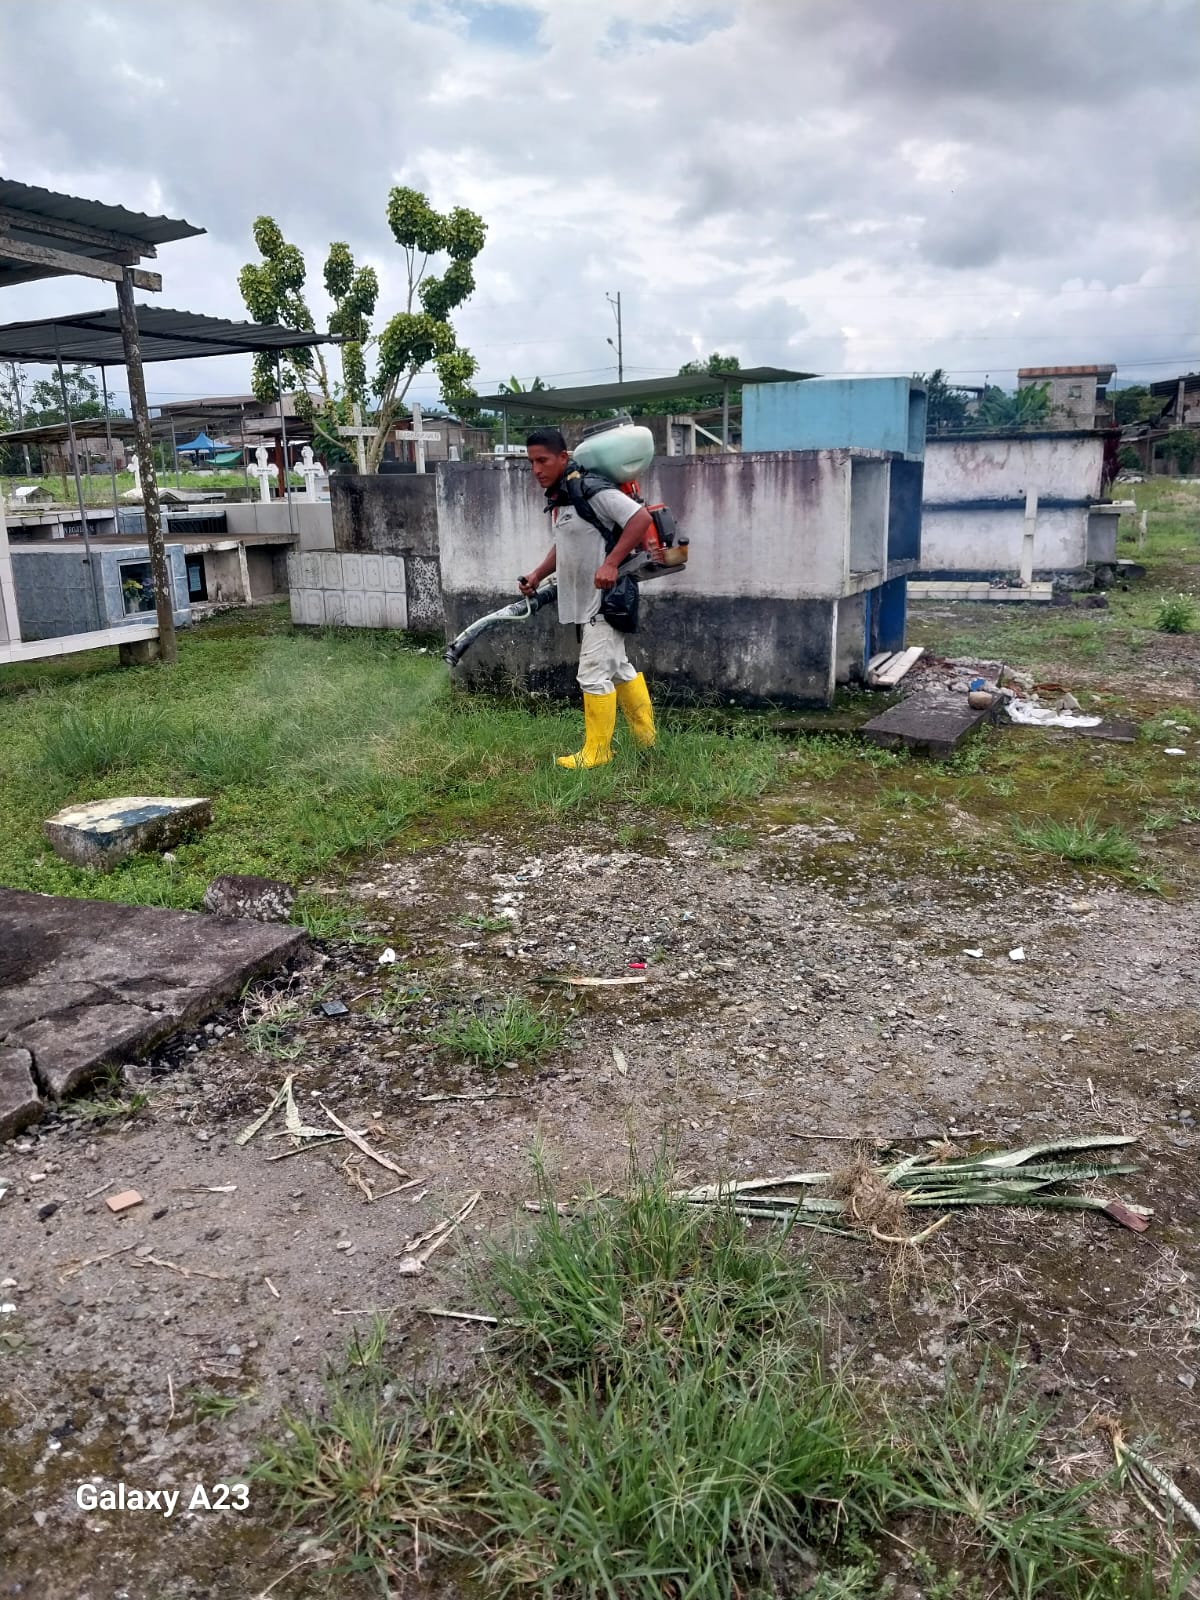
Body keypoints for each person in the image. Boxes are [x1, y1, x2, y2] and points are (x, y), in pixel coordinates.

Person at [519, 426, 656, 769]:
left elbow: (640, 518)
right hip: (586, 602)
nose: (536, 469)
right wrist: (537, 574)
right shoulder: (564, 497)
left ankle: (597, 752)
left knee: (592, 676)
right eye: (531, 462)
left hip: (605, 602)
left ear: (562, 457)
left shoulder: (591, 489)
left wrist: (611, 563)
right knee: (619, 669)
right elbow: (565, 543)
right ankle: (646, 740)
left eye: (542, 460)